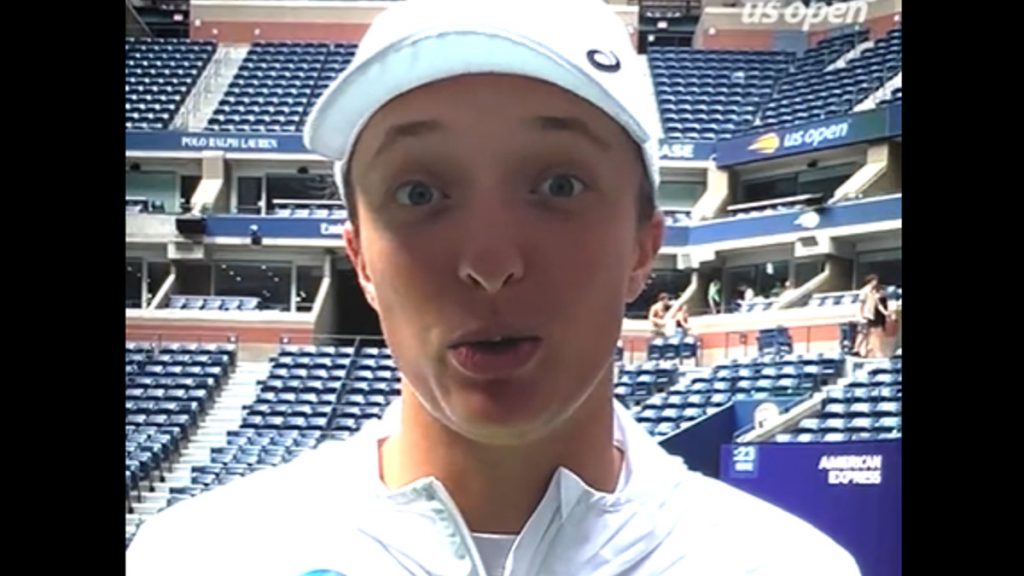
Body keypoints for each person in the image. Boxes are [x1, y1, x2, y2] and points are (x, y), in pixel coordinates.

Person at [126, 1, 862, 574]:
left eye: (559, 184)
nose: (489, 262)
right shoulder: (201, 558)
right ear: (362, 260)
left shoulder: (782, 566)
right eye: (419, 193)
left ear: (643, 245)